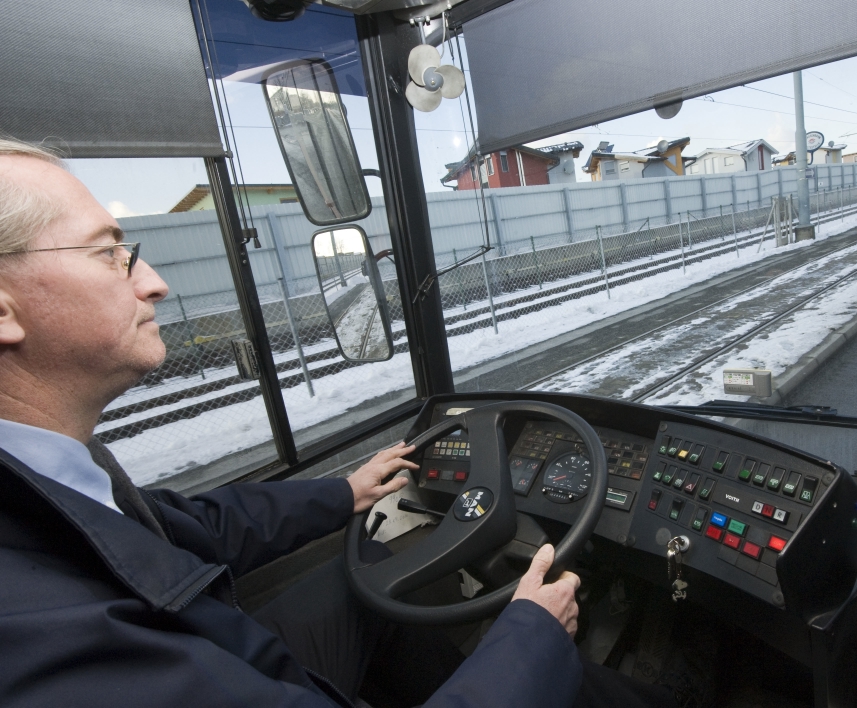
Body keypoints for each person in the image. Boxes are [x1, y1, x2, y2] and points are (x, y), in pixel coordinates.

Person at [0, 139, 680, 708]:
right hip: (224, 663)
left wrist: (343, 493)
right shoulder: (42, 637)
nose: (153, 282)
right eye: (108, 252)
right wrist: (531, 632)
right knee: (532, 645)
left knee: (370, 581)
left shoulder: (49, 474)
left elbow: (188, 525)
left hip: (224, 648)